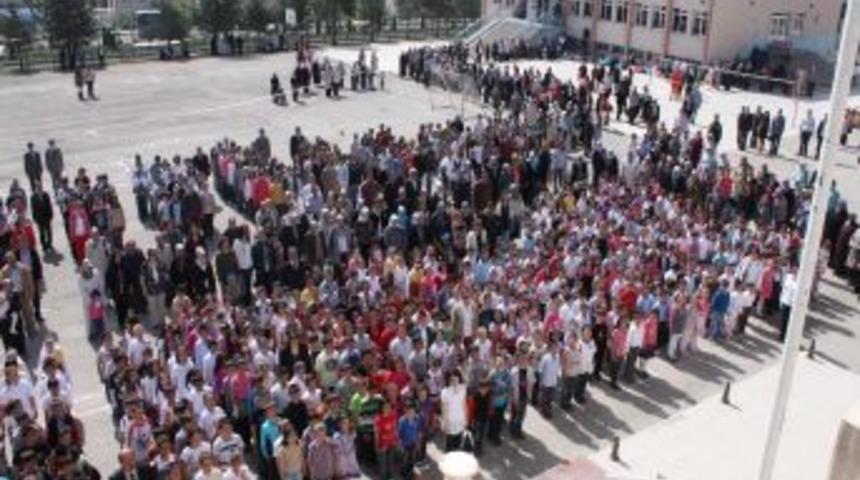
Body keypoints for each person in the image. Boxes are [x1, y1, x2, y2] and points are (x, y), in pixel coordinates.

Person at [440, 370, 468, 451]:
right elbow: (444, 409)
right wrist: (445, 424)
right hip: (450, 422)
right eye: (452, 380)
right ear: (448, 380)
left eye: (456, 379)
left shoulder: (463, 389)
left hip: (460, 420)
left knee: (458, 442)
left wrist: (466, 419)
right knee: (449, 444)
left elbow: (464, 405)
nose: (454, 382)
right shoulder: (445, 392)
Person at [30, 181, 54, 254]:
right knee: (42, 233)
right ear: (36, 188)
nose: (39, 188)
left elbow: (49, 205)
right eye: (38, 187)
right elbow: (33, 208)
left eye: (40, 187)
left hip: (47, 217)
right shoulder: (33, 197)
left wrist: (51, 214)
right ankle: (44, 246)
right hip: (39, 218)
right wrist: (34, 218)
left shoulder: (45, 194)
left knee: (49, 232)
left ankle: (49, 244)